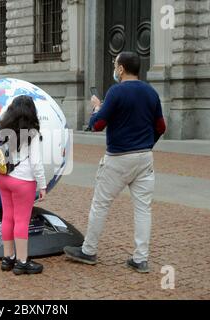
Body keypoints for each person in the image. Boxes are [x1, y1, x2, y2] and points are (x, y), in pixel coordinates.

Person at [64, 52, 167, 273]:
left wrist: (97, 108)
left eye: (115, 64)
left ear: (121, 69)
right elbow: (161, 127)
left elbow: (97, 125)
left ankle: (89, 250)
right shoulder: (151, 93)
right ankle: (140, 259)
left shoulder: (116, 92)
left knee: (100, 204)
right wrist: (147, 144)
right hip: (145, 157)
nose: (114, 68)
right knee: (143, 209)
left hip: (118, 157)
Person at [0, 95, 47, 275]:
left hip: (3, 178)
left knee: (7, 217)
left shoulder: (1, 129)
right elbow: (36, 163)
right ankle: (22, 261)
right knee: (22, 220)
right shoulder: (32, 133)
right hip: (23, 181)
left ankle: (7, 258)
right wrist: (42, 185)